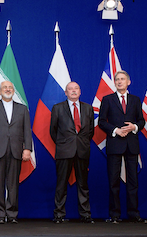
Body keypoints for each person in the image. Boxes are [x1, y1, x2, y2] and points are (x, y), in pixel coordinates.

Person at [98, 70, 147, 224]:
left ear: (128, 82)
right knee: (113, 181)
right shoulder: (107, 99)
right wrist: (115, 130)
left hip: (132, 145)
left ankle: (134, 213)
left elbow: (141, 121)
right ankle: (114, 215)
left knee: (133, 182)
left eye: (122, 79)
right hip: (114, 144)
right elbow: (101, 121)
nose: (119, 82)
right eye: (117, 79)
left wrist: (134, 127)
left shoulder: (135, 99)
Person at [0, 81, 32, 224]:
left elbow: (27, 131)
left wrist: (27, 148)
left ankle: (12, 214)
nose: (8, 89)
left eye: (10, 87)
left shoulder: (22, 109)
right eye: (5, 87)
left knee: (13, 184)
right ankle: (0, 215)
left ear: (13, 91)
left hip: (16, 150)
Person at [50, 82, 94, 224]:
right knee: (61, 184)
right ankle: (59, 214)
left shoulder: (88, 108)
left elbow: (90, 131)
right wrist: (64, 143)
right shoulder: (57, 108)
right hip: (64, 151)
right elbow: (53, 131)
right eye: (70, 89)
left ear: (80, 91)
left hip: (82, 150)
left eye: (76, 89)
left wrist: (81, 143)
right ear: (65, 92)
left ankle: (85, 214)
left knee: (83, 184)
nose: (73, 91)